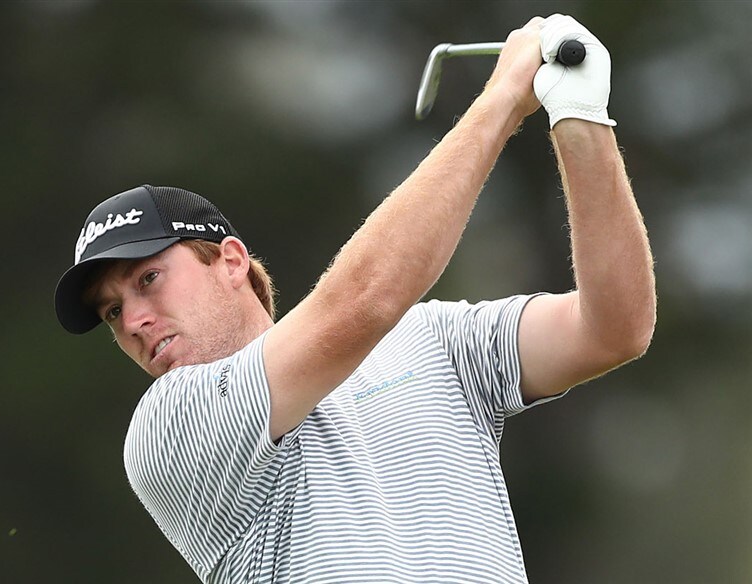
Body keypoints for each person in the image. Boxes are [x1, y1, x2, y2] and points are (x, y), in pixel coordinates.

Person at [53, 14, 655, 584]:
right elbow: (364, 302)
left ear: (230, 262)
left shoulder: (436, 341)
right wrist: (501, 99)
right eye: (111, 310)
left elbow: (614, 329)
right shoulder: (170, 426)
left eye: (147, 279)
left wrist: (578, 117)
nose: (132, 320)